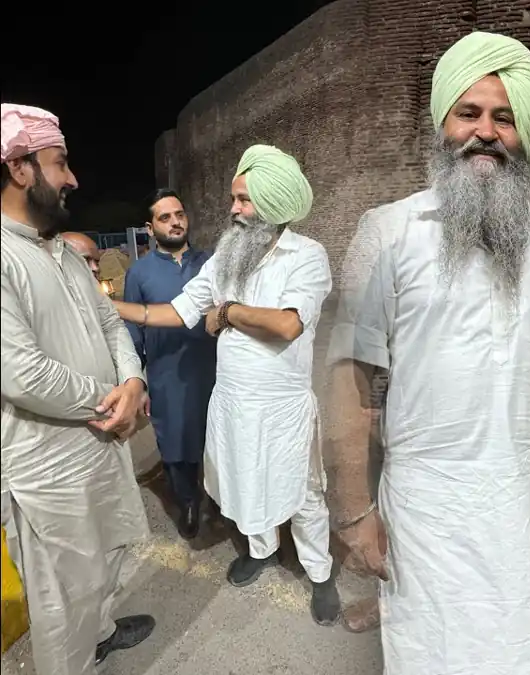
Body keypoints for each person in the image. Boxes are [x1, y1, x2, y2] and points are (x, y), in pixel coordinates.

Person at [325, 31, 530, 673]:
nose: (484, 132)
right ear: (443, 124)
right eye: (469, 113)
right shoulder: (389, 230)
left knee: (522, 654)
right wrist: (353, 511)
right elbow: (349, 376)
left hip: (520, 506)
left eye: (505, 117)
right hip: (423, 509)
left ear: (528, 134)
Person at [109, 144, 340, 625]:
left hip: (283, 407)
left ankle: (320, 574)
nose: (232, 209)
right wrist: (105, 307)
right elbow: (171, 312)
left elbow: (287, 325)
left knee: (302, 493)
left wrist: (227, 313)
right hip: (233, 403)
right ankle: (261, 550)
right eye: (234, 198)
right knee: (246, 480)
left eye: (244, 199)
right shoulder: (224, 262)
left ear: (274, 202)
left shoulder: (307, 255)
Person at [0, 103, 154, 674]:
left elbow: (111, 322)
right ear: (20, 168)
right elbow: (22, 374)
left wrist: (133, 380)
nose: (72, 178)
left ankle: (103, 634)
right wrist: (112, 398)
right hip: (46, 468)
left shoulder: (62, 251)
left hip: (96, 444)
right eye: (59, 163)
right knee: (61, 600)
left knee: (103, 566)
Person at [122, 189, 218, 539]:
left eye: (179, 214)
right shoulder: (139, 273)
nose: (175, 221)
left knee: (217, 438)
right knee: (176, 444)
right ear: (150, 227)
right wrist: (140, 382)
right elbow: (132, 332)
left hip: (214, 372)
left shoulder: (210, 264)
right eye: (165, 217)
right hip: (166, 375)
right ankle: (188, 502)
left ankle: (221, 500)